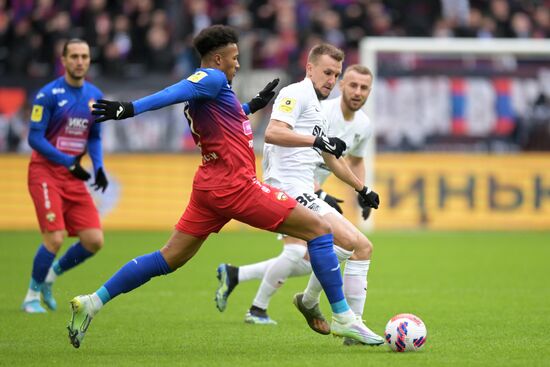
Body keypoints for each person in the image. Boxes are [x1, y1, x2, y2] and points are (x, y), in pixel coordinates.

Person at [67, 25, 376, 349]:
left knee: (167, 258)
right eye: (234, 58)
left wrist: (251, 106)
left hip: (209, 186)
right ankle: (343, 317)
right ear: (218, 58)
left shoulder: (214, 93)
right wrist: (129, 108)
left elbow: (226, 120)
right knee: (319, 229)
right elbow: (175, 91)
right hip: (235, 185)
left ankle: (92, 301)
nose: (238, 64)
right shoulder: (211, 78)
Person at [215, 53, 383, 346]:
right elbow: (273, 132)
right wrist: (318, 156)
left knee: (351, 246)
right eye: (329, 74)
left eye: (335, 74)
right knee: (333, 248)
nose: (331, 81)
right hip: (289, 189)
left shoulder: (325, 112)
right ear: (310, 68)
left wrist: (362, 190)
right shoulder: (296, 93)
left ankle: (327, 313)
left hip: (305, 188)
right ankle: (330, 316)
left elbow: (333, 158)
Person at [21, 39, 108, 314]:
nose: (80, 61)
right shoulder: (47, 94)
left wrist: (99, 166)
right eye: (74, 56)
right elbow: (34, 138)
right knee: (55, 237)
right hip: (45, 173)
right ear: (64, 59)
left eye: (84, 56)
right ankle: (31, 296)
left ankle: (50, 276)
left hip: (73, 177)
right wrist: (69, 163)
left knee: (94, 241)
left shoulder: (94, 95)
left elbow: (94, 136)